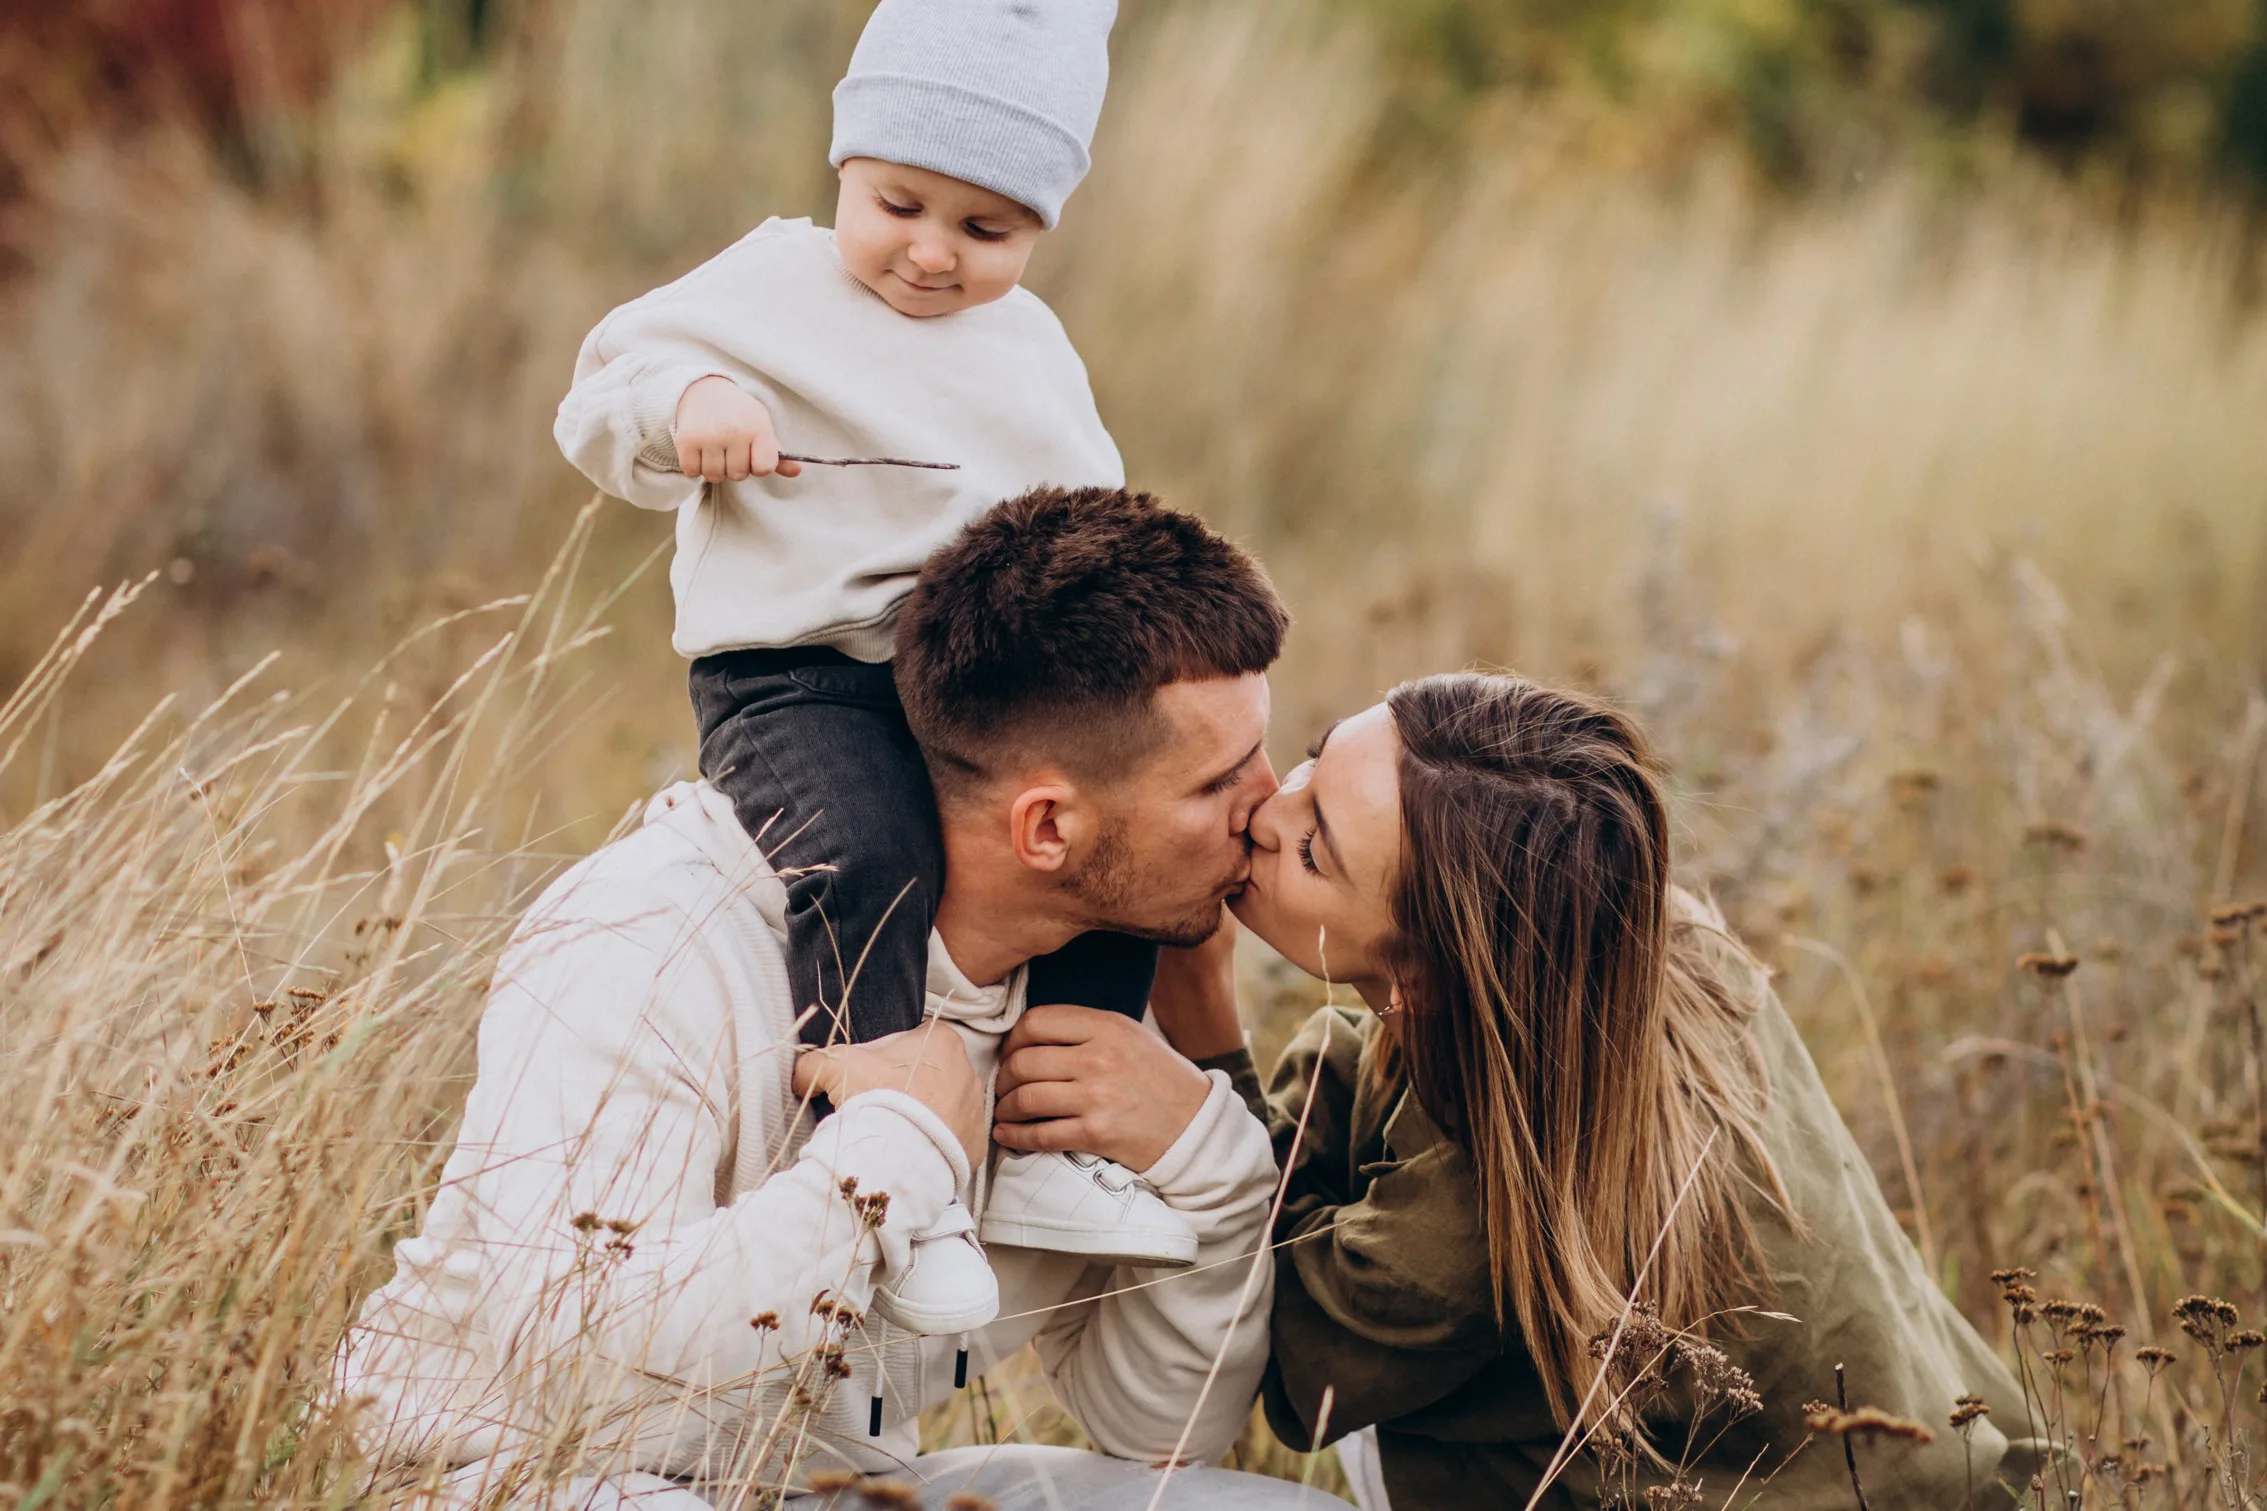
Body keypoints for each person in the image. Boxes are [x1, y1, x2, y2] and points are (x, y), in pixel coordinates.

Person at [337, 491, 1326, 1509]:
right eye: (1216, 783)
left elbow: (1162, 1430)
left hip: (809, 1486)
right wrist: (893, 1145)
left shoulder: (1100, 973)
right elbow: (575, 1364)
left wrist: (1210, 1154)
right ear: (1044, 828)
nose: (1267, 805)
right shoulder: (651, 932)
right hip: (517, 1473)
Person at [1011, 672, 2053, 1509]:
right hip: (1961, 1456)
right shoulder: (1632, 938)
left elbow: (1277, 1365)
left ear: (1417, 978)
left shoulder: (1466, 1221)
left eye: (1316, 848)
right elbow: (1339, 1138)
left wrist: (1198, 1082)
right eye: (1320, 756)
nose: (1265, 813)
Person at [550, 0, 1180, 1335]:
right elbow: (601, 398)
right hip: (795, 673)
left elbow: (1088, 517)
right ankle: (890, 1165)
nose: (934, 255)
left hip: (970, 676)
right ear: (845, 165)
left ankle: (1057, 1143)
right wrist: (687, 409)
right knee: (867, 849)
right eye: (898, 203)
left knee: (1126, 823)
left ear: (1038, 230)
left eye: (986, 229)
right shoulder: (765, 286)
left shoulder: (1030, 353)